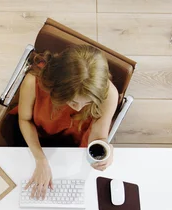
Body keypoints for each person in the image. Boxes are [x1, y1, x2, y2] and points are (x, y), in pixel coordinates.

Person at [12, 44, 119, 199]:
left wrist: (107, 149)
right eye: (73, 102)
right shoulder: (33, 82)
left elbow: (98, 137)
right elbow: (24, 119)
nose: (78, 109)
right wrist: (40, 160)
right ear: (56, 90)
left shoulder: (109, 94)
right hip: (38, 136)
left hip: (76, 144)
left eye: (87, 103)